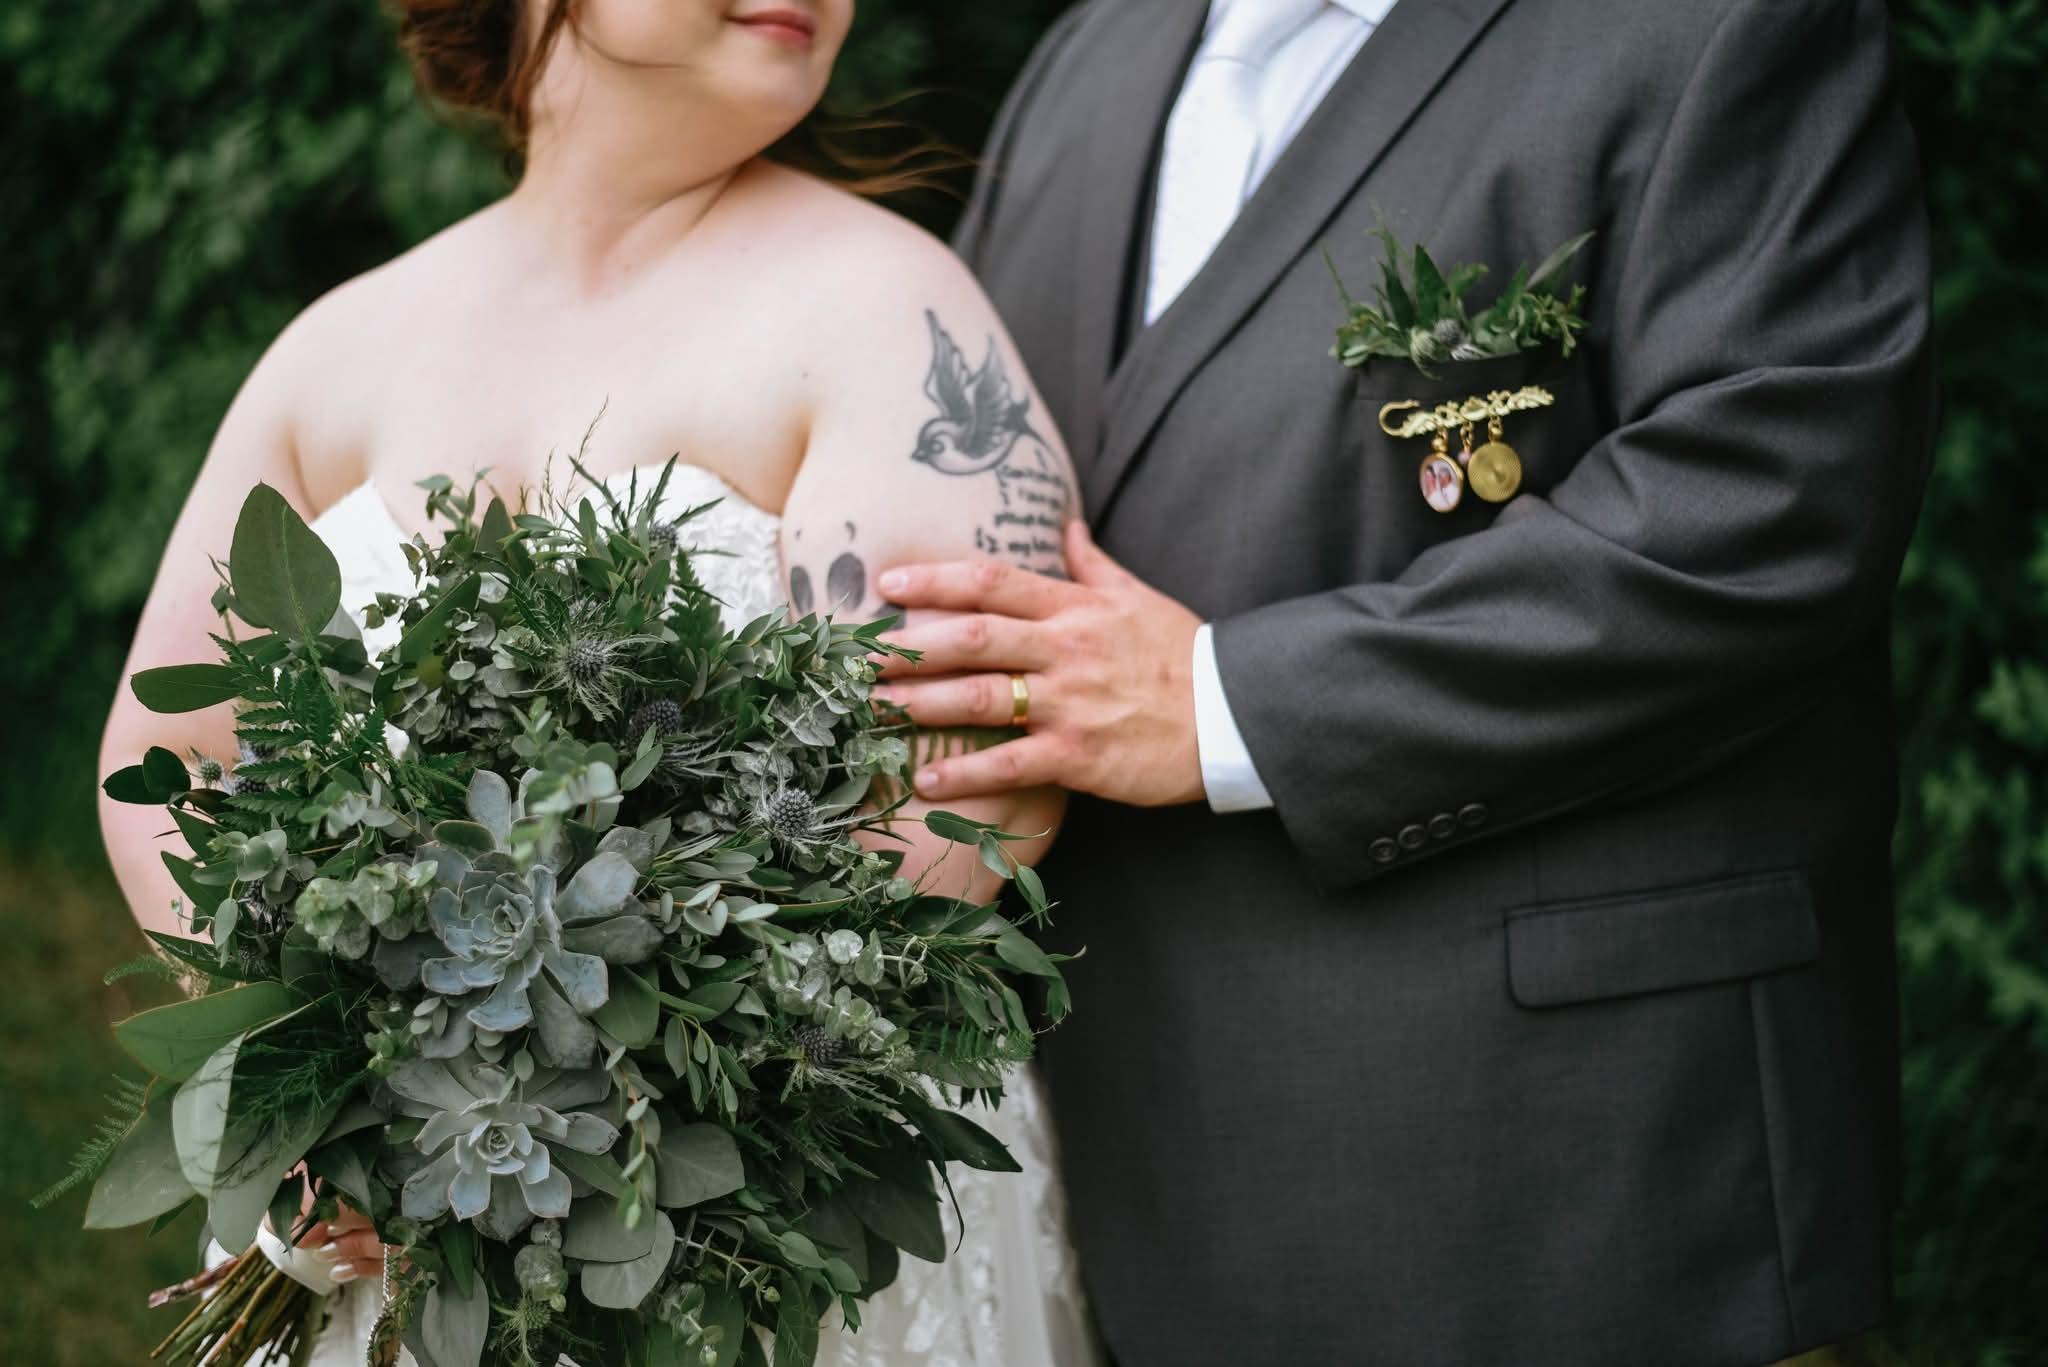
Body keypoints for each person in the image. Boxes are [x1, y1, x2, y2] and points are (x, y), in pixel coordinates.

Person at [874, 0, 1937, 1363]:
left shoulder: (1715, 26)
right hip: (1114, 1187)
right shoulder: (1096, 49)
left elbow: (1773, 500)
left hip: (1567, 1173)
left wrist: (1224, 704)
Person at [96, 3, 1101, 1363]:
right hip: (355, 1229)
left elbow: (965, 800)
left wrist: (562, 1120)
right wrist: (305, 1092)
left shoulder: (892, 315)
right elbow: (171, 762)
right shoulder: (339, 348)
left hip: (756, 1226)